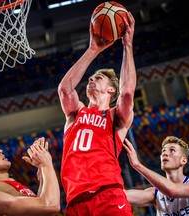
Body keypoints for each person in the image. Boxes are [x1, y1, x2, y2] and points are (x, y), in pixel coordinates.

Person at [57, 11, 136, 215]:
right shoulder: (76, 113)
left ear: (111, 90)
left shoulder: (114, 117)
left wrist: (127, 45)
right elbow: (65, 90)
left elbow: (127, 93)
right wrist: (93, 49)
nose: (91, 79)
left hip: (108, 193)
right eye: (90, 78)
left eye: (98, 77)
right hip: (75, 201)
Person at [123, 136, 189, 215]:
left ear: (183, 160)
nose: (164, 153)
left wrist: (138, 165)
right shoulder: (155, 194)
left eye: (172, 150)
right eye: (163, 150)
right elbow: (121, 195)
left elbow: (172, 191)